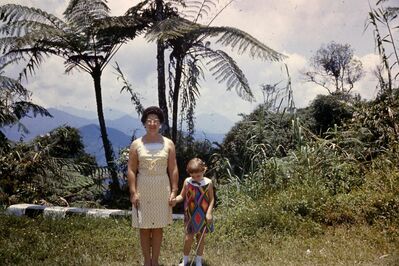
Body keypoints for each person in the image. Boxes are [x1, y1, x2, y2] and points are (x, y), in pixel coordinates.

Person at [127, 106, 179, 266]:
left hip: (162, 188)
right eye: (149, 120)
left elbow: (173, 168)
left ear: (161, 124)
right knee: (144, 227)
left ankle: (155, 261)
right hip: (143, 188)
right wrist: (133, 192)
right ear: (144, 123)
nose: (152, 123)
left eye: (156, 121)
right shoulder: (136, 144)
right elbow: (131, 169)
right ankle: (147, 262)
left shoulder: (168, 143)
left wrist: (174, 190)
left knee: (158, 227)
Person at [174, 158, 215, 266]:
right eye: (193, 176)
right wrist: (174, 201)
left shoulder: (208, 183)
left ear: (204, 170)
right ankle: (185, 260)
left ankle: (198, 261)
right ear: (189, 174)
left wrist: (209, 212)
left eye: (198, 176)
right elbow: (182, 196)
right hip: (190, 214)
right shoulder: (187, 182)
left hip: (203, 214)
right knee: (188, 238)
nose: (196, 178)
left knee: (201, 238)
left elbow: (212, 199)